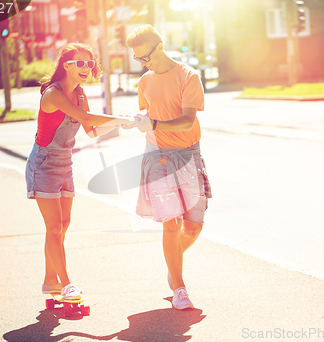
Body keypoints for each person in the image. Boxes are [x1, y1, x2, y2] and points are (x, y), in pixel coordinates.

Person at [25, 42, 136, 300]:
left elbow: (92, 130)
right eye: (80, 63)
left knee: (63, 224)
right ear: (66, 65)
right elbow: (86, 119)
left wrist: (124, 124)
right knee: (53, 227)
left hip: (65, 162)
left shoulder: (81, 93)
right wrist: (120, 119)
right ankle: (66, 283)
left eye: (89, 63)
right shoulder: (53, 94)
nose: (86, 67)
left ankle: (49, 280)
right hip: (44, 163)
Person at [125, 25, 212, 310]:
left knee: (194, 226)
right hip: (158, 156)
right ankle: (180, 286)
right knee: (171, 224)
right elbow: (147, 114)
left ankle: (172, 267)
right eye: (138, 59)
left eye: (145, 58)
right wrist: (139, 120)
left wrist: (154, 123)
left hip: (188, 154)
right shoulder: (145, 81)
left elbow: (187, 121)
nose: (142, 64)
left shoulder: (189, 76)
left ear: (159, 47)